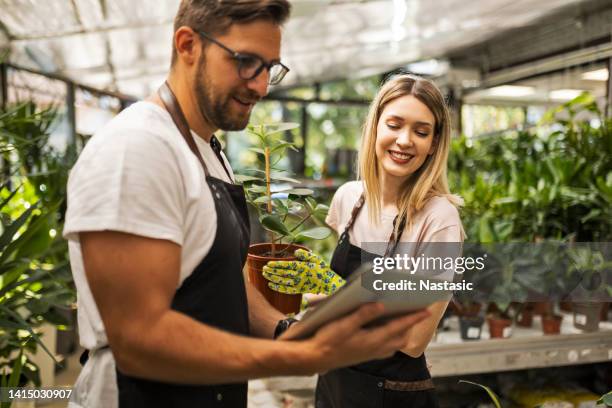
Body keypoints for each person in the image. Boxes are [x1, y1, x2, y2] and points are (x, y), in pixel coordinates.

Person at [63, 1, 431, 407]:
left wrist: (285, 330)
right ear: (188, 46)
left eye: (269, 67)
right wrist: (296, 355)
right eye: (245, 62)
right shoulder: (137, 150)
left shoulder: (208, 151)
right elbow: (139, 340)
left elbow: (220, 276)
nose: (259, 85)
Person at [263, 73, 464, 407]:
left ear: (433, 145)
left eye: (421, 131)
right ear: (375, 128)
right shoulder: (349, 199)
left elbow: (414, 341)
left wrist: (338, 294)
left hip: (393, 394)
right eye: (394, 124)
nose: (404, 140)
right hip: (334, 382)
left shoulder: (438, 219)